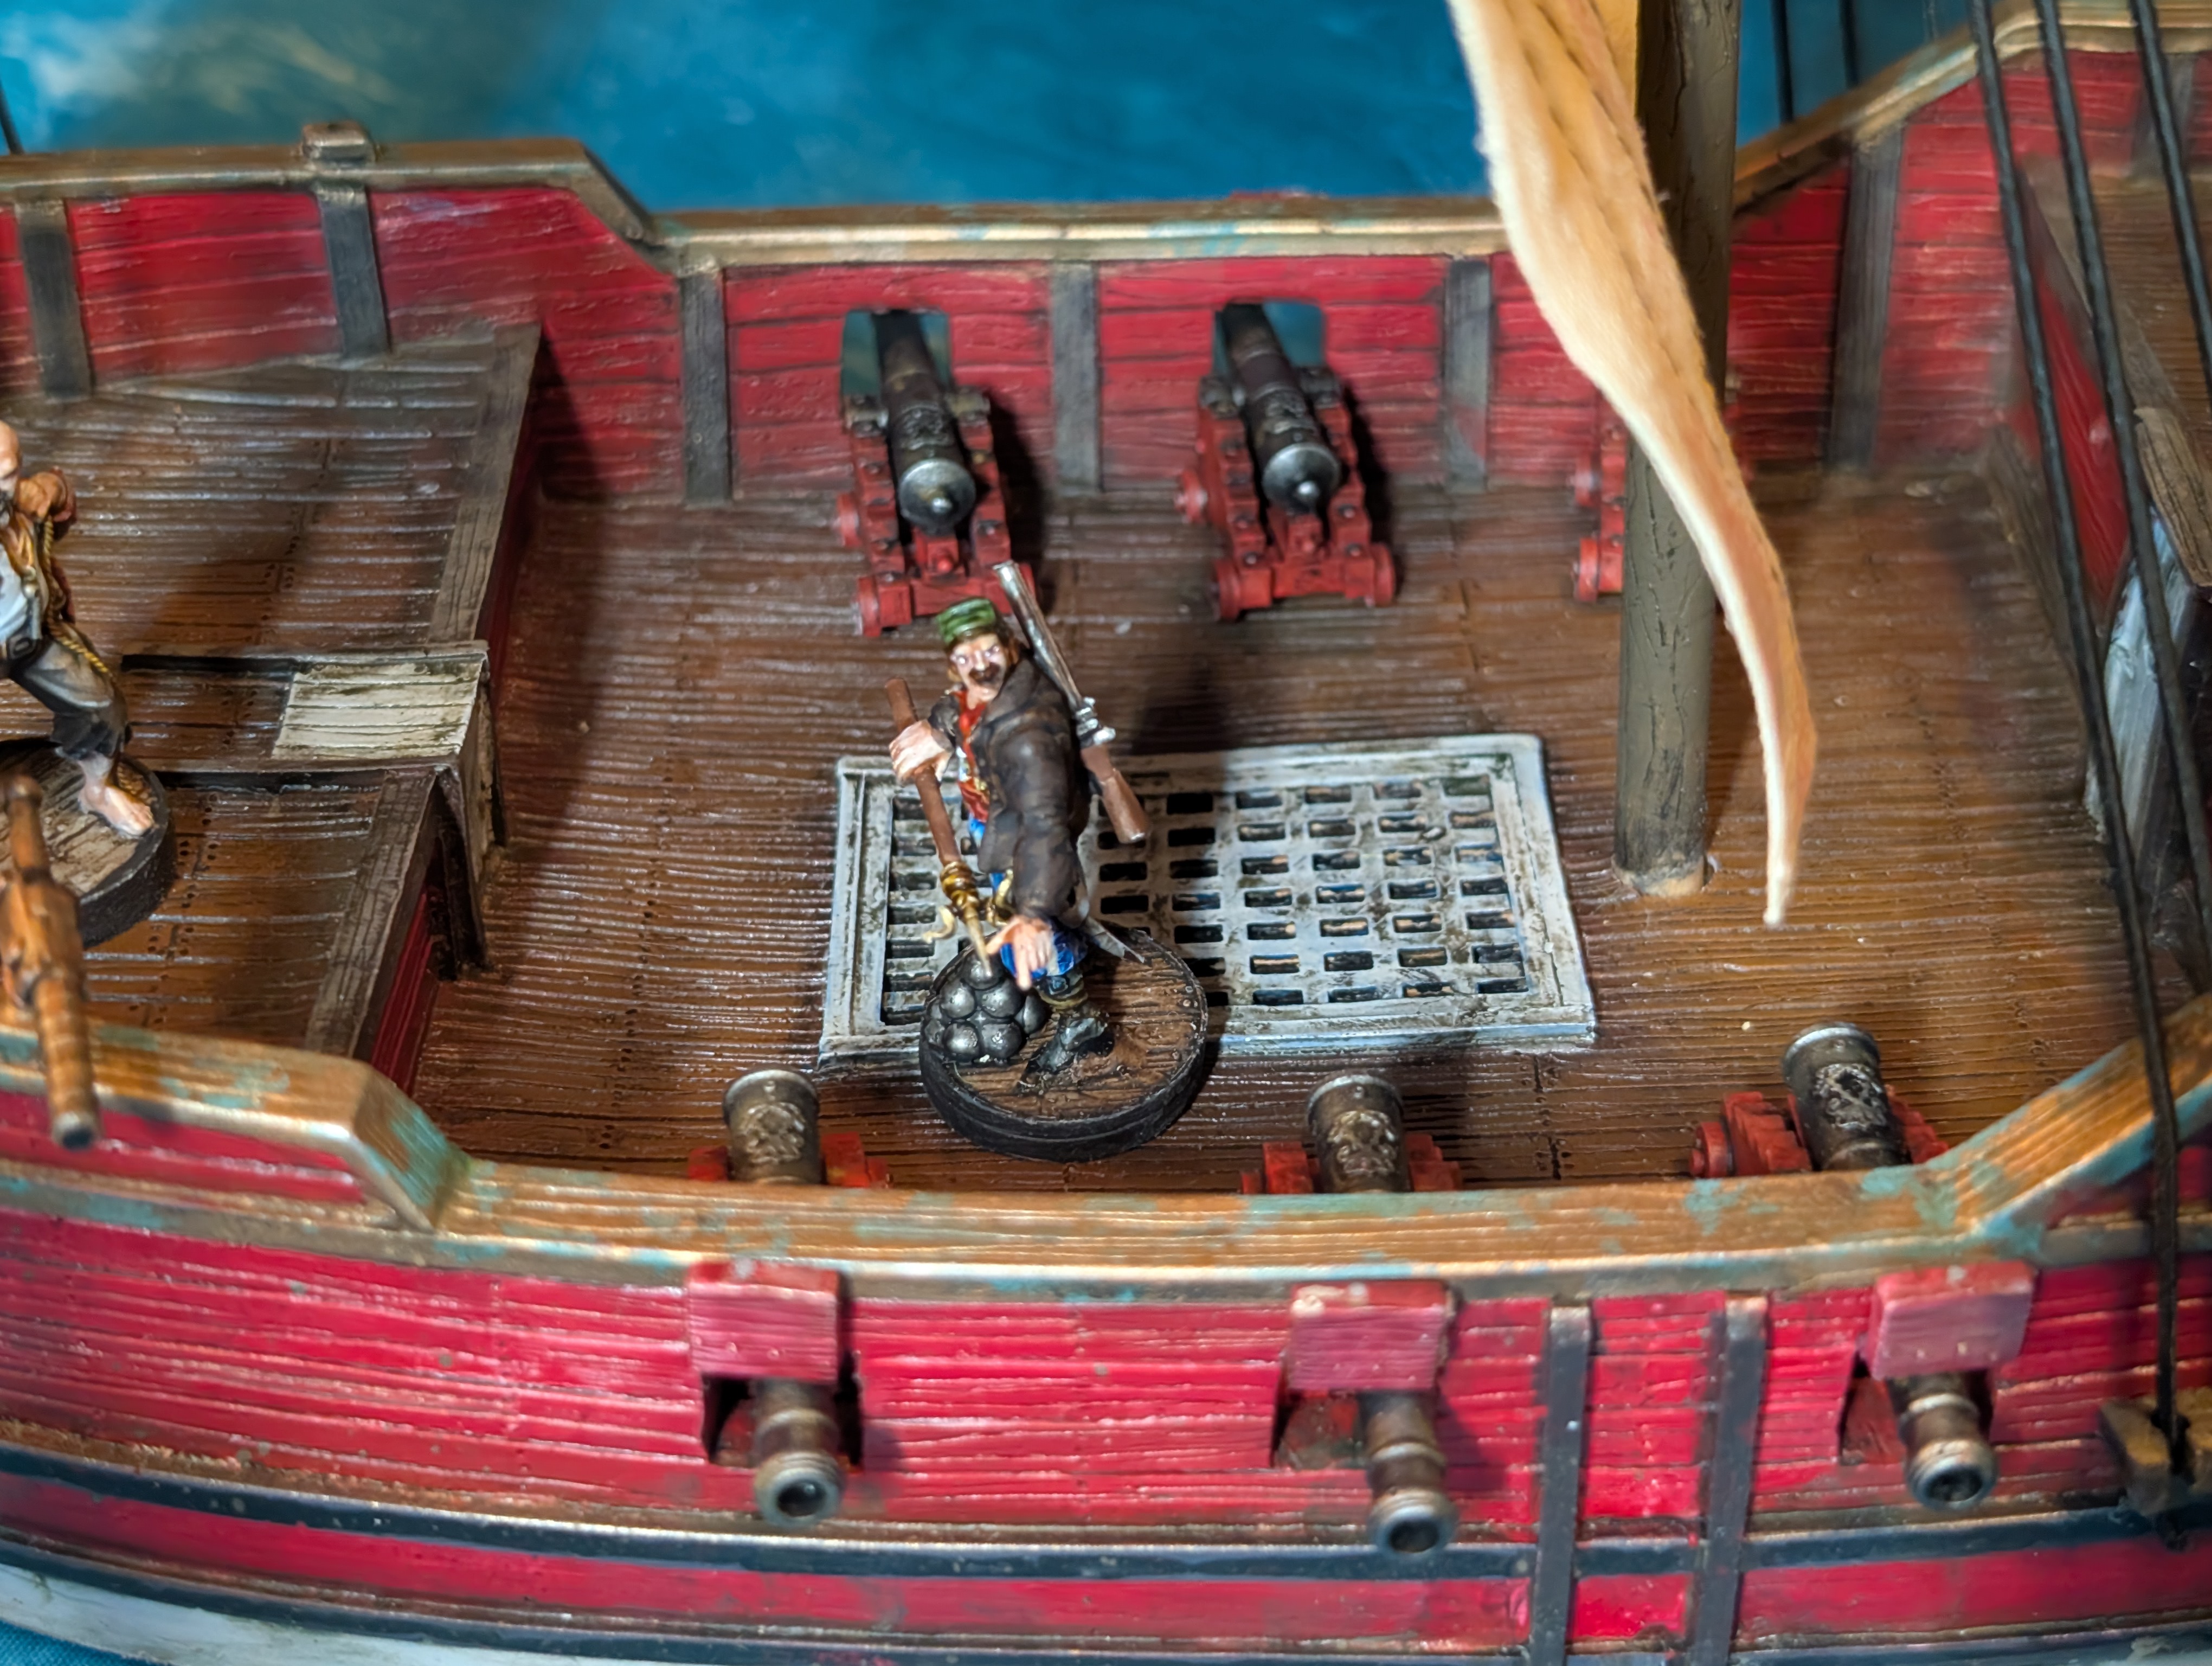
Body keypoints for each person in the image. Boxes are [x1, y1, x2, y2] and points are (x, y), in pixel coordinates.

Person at [889, 597, 1111, 1080]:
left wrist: (1032, 912)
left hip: (1024, 845)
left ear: (1009, 649)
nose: (980, 667)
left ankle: (1082, 1022)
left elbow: (1045, 829)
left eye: (989, 652)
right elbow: (963, 705)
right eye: (966, 658)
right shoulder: (995, 687)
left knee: (1037, 937)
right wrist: (940, 730)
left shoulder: (1030, 741)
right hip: (995, 822)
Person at [0, 422, 151, 838]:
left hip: (34, 635)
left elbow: (55, 495)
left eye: (6, 475)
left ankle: (98, 791)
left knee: (102, 708)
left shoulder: (23, 507)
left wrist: (52, 488)